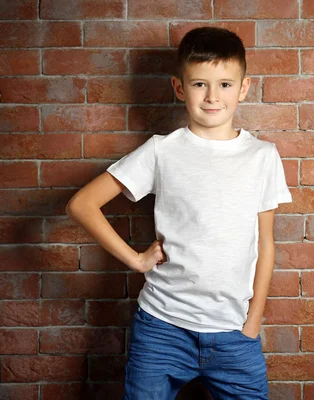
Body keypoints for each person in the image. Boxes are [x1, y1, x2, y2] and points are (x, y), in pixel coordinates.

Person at [66, 26, 292, 400]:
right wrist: (136, 260)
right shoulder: (162, 151)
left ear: (244, 88)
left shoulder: (262, 156)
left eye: (224, 84)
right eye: (200, 84)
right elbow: (82, 204)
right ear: (179, 88)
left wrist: (253, 321)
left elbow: (265, 243)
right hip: (162, 329)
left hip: (234, 332)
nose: (212, 96)